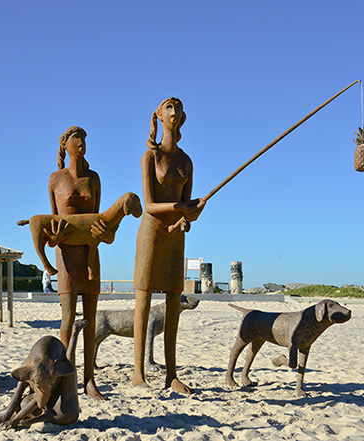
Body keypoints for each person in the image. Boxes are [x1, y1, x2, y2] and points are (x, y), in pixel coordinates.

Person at [132, 97, 204, 394]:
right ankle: (138, 373)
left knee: (174, 300)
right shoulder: (149, 157)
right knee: (144, 300)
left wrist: (192, 214)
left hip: (176, 234)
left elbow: (189, 209)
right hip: (151, 232)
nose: (174, 112)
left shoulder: (186, 161)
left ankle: (171, 374)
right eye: (169, 107)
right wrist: (181, 206)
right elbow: (149, 205)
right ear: (159, 116)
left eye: (178, 108)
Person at [47, 126, 112, 400]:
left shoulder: (93, 179)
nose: (82, 143)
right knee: (67, 318)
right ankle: (65, 377)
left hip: (90, 256)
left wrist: (104, 235)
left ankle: (89, 379)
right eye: (77, 138)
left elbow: (103, 226)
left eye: (85, 138)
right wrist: (55, 237)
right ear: (65, 144)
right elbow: (50, 233)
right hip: (66, 258)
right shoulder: (55, 179)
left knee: (90, 320)